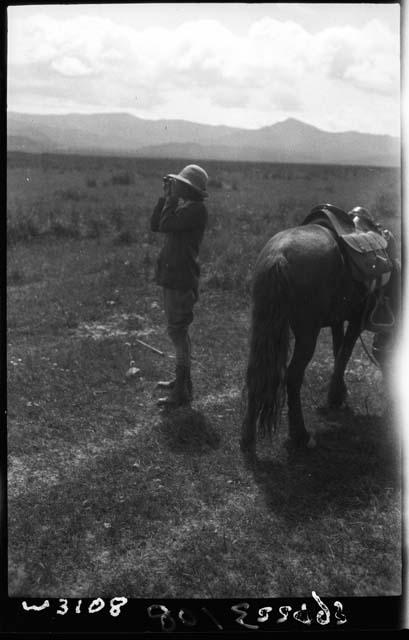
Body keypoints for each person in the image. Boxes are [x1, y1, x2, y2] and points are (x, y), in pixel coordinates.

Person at [150, 164, 209, 407]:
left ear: (189, 189)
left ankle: (182, 391)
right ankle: (182, 382)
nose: (177, 188)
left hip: (181, 279)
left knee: (177, 331)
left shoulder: (197, 210)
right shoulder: (186, 208)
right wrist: (165, 198)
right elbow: (156, 224)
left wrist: (171, 199)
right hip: (173, 277)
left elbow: (165, 224)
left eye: (180, 185)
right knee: (177, 331)